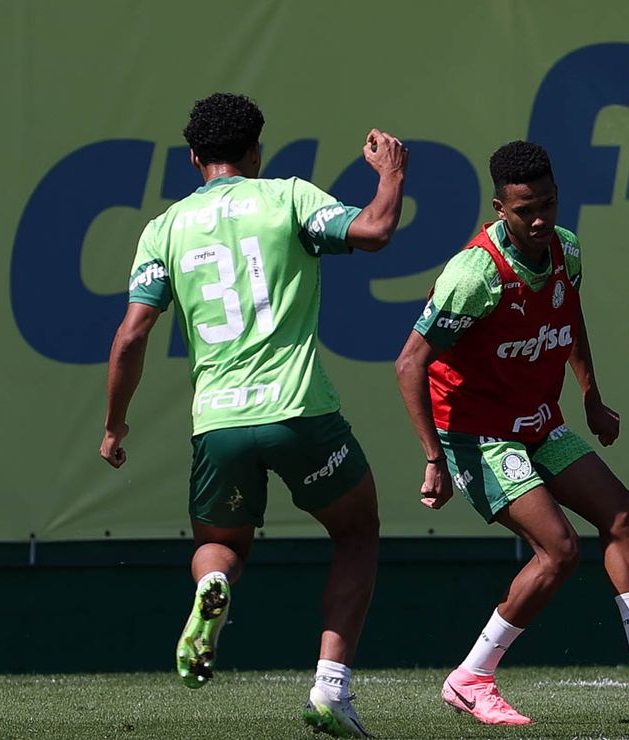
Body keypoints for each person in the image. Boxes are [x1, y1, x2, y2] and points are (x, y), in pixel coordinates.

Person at [99, 92, 407, 739]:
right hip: (299, 412)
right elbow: (376, 231)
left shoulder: (165, 228)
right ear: (256, 150)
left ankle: (213, 585)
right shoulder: (288, 197)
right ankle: (330, 689)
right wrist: (391, 174)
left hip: (218, 425)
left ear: (192, 157)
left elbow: (130, 336)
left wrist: (114, 425)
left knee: (222, 545)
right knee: (356, 533)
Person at [394, 140, 629, 726]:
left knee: (622, 513)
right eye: (526, 209)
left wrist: (592, 399)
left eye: (548, 204)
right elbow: (409, 364)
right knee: (559, 550)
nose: (541, 219)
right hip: (475, 433)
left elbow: (569, 321)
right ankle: (471, 676)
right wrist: (433, 459)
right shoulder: (474, 274)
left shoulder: (565, 249)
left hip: (538, 420)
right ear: (500, 207)